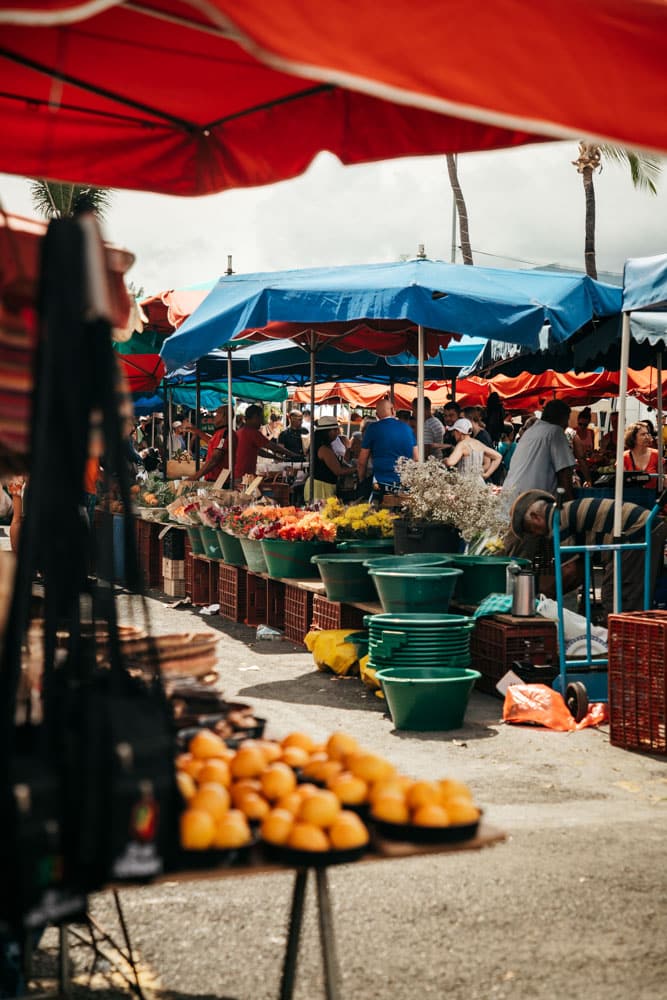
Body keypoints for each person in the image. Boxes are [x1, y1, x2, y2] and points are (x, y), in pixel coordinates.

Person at [509, 489, 667, 614]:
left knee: (618, 597)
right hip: (645, 528)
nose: (536, 534)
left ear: (535, 517)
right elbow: (578, 570)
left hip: (638, 532)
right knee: (623, 595)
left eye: (531, 530)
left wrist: (546, 596)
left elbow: (570, 571)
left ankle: (622, 646)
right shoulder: (563, 512)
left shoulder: (558, 520)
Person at [503, 399, 575, 500]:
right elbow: (564, 472)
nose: (567, 425)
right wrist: (570, 505)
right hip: (531, 503)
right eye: (567, 420)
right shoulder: (555, 431)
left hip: (510, 497)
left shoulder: (530, 432)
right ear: (561, 418)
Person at [357, 399, 417, 492]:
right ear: (393, 410)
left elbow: (362, 462)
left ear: (377, 415)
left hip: (381, 483)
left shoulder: (372, 429)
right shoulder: (407, 428)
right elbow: (416, 458)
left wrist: (361, 481)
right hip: (405, 482)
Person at [234, 403, 302, 481]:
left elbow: (259, 451)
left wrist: (275, 457)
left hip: (240, 474)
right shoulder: (252, 432)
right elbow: (272, 446)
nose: (262, 422)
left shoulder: (240, 431)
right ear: (255, 417)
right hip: (244, 475)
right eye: (260, 418)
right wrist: (293, 455)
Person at [183, 405, 237, 482]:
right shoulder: (220, 432)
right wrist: (196, 431)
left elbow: (214, 459)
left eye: (217, 414)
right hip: (213, 479)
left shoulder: (225, 433)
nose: (214, 417)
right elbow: (211, 442)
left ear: (224, 416)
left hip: (219, 481)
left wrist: (195, 477)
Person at [304, 416, 351, 501]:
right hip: (321, 488)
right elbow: (338, 471)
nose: (337, 433)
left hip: (320, 486)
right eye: (335, 430)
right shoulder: (324, 449)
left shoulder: (319, 445)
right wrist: (357, 468)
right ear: (326, 432)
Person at [444, 417, 502, 484]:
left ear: (459, 432)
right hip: (479, 483)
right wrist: (487, 474)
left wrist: (444, 461)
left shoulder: (462, 445)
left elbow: (450, 462)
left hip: (465, 484)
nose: (454, 434)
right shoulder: (478, 443)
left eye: (454, 431)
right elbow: (498, 456)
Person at [623, 421, 660, 489]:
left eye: (647, 434)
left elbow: (663, 479)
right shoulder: (624, 457)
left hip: (652, 497)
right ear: (633, 438)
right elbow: (621, 482)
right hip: (630, 498)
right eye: (643, 434)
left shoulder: (656, 454)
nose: (647, 437)